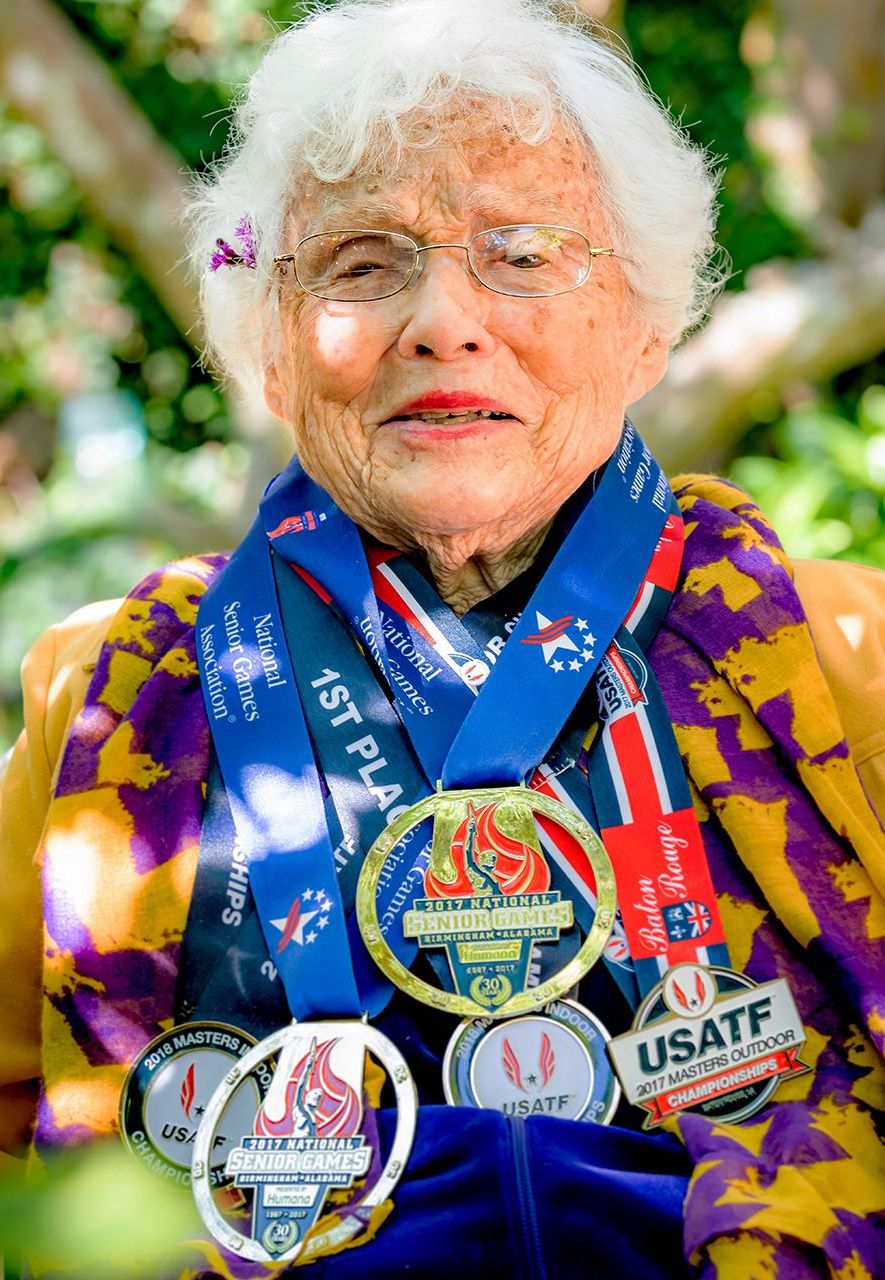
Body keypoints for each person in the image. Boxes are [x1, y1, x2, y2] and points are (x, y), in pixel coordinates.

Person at [2, 0, 884, 1276]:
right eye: (361, 263)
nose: (442, 321)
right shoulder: (110, 687)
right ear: (270, 341)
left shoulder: (845, 659)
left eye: (523, 254)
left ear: (648, 322)